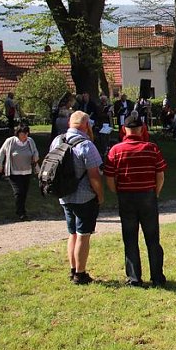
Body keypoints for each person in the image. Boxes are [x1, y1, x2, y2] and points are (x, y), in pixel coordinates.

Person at [104, 113, 168, 287]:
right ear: (141, 129)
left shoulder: (115, 150)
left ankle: (134, 278)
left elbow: (109, 177)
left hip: (126, 196)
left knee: (130, 238)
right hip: (147, 195)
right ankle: (157, 277)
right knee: (153, 238)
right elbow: (160, 175)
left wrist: (116, 191)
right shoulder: (151, 148)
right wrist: (156, 192)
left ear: (124, 130)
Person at [50, 111, 104, 284]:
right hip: (84, 197)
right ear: (86, 125)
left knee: (72, 233)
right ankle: (80, 274)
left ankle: (73, 269)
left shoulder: (57, 140)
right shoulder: (86, 145)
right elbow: (94, 176)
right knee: (83, 234)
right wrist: (100, 195)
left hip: (64, 195)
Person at [0, 124, 40, 221]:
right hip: (14, 172)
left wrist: (36, 157)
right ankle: (21, 213)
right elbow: (2, 152)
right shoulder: (10, 141)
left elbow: (35, 151)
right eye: (23, 133)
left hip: (27, 171)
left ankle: (21, 209)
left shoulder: (30, 141)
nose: (25, 135)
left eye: (26, 133)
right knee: (19, 192)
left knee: (24, 192)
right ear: (18, 133)